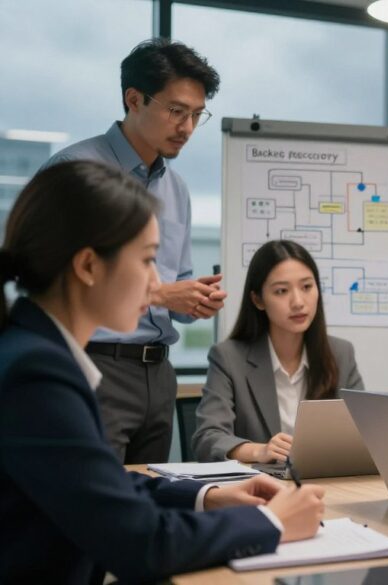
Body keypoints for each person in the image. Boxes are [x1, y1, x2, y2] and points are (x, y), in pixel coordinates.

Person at [0, 161, 326, 583]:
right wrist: (273, 525)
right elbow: (142, 541)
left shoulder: (33, 353)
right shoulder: (36, 374)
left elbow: (104, 488)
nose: (156, 284)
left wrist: (208, 496)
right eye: (148, 260)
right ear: (88, 266)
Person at [44, 39, 227, 463]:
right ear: (133, 99)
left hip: (159, 373)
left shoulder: (176, 188)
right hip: (93, 365)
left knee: (150, 501)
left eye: (197, 115)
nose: (187, 127)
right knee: (90, 507)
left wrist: (193, 298)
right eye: (176, 111)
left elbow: (175, 281)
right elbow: (54, 278)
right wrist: (161, 294)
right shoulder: (76, 172)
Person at [192, 240, 364, 463]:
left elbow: (366, 433)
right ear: (258, 300)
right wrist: (258, 451)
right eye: (282, 291)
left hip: (326, 487)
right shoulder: (228, 357)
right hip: (258, 490)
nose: (298, 302)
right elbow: (207, 438)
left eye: (307, 287)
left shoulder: (341, 353)